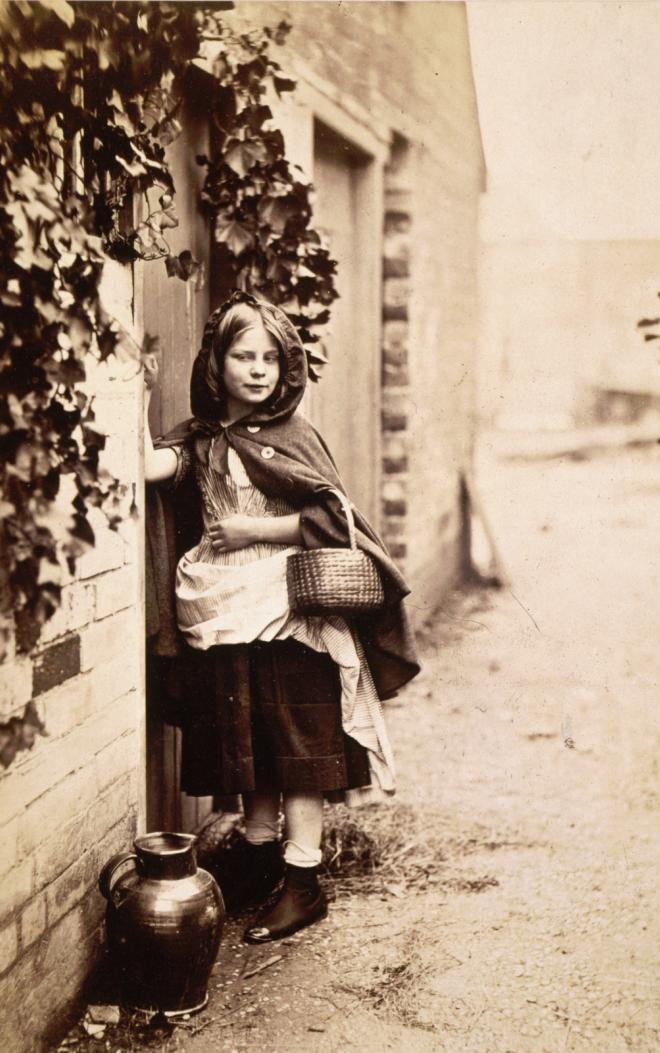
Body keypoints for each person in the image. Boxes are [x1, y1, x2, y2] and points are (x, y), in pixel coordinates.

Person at [144, 289, 419, 943]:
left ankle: (303, 879)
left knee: (296, 740)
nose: (259, 368)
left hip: (291, 608)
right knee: (249, 736)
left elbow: (333, 518)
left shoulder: (293, 437)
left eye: (271, 356)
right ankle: (261, 855)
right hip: (225, 608)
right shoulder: (200, 439)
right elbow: (150, 466)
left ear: (286, 366)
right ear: (218, 363)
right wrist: (132, 390)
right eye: (244, 355)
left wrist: (250, 531)